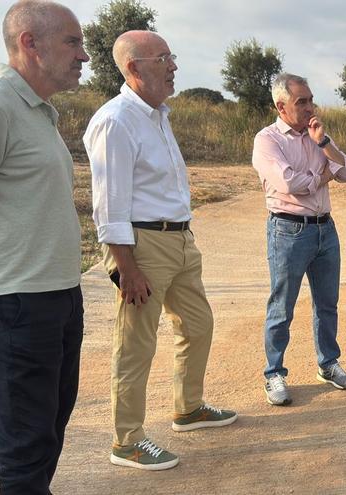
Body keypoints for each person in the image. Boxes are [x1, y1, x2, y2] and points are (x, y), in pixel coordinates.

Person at [83, 30, 235, 471]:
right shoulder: (116, 120)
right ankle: (126, 440)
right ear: (133, 67)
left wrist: (184, 235)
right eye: (163, 58)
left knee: (199, 324)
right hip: (142, 243)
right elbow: (108, 205)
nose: (173, 66)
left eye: (172, 56)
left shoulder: (157, 114)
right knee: (136, 343)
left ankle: (188, 409)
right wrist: (126, 267)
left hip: (179, 239)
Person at [0, 2, 87, 493]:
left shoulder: (39, 111)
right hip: (13, 301)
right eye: (73, 43)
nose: (84, 56)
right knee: (24, 443)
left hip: (58, 294)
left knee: (49, 429)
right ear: (29, 43)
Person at [252, 73, 346, 406]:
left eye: (311, 99)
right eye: (302, 102)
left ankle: (328, 364)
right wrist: (326, 174)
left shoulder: (317, 136)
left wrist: (324, 144)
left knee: (327, 303)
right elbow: (290, 183)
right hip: (288, 230)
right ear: (281, 106)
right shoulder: (267, 140)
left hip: (325, 228)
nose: (310, 106)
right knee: (281, 307)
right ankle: (274, 373)